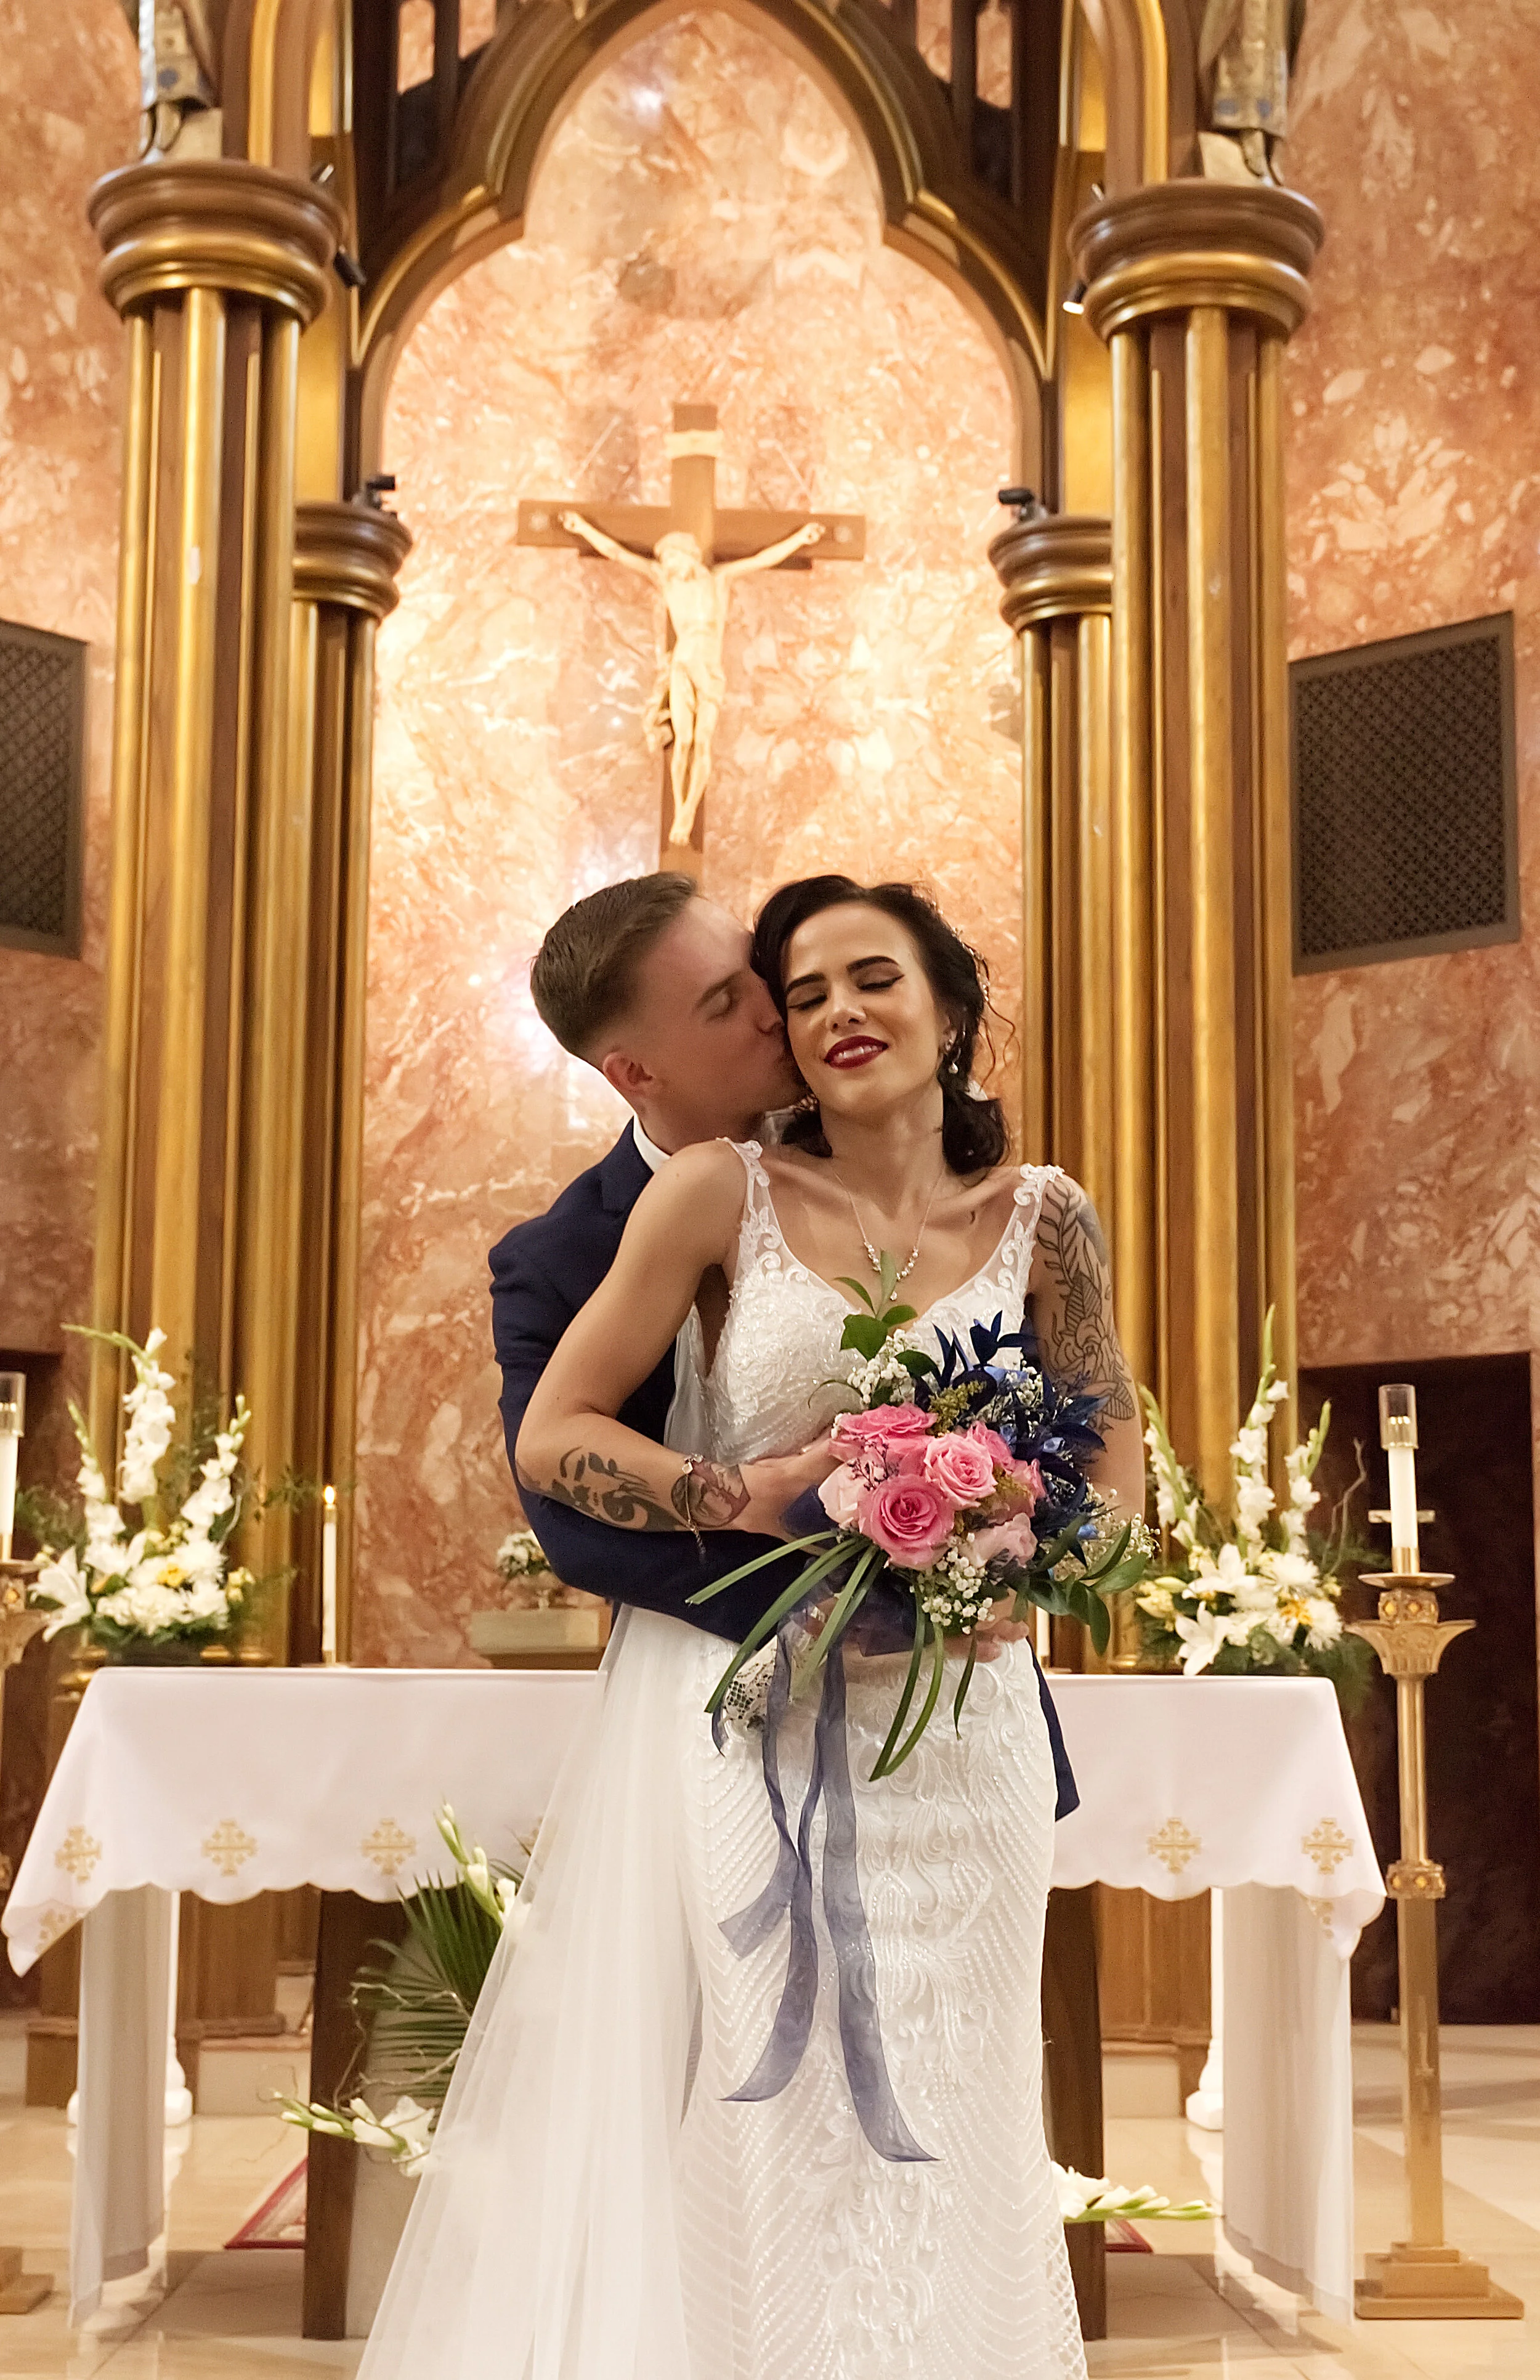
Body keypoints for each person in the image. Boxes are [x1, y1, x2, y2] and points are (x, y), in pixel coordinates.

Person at [363, 875, 1141, 2380]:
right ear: (637, 1066)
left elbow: (1112, 1473)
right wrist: (769, 1502)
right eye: (787, 994)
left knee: (968, 2092)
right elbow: (555, 1448)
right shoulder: (709, 1191)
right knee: (761, 2102)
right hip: (755, 1716)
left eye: (872, 979)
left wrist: (1010, 1559)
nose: (827, 1013)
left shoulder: (1051, 1218)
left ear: (953, 1008)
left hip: (965, 1733)